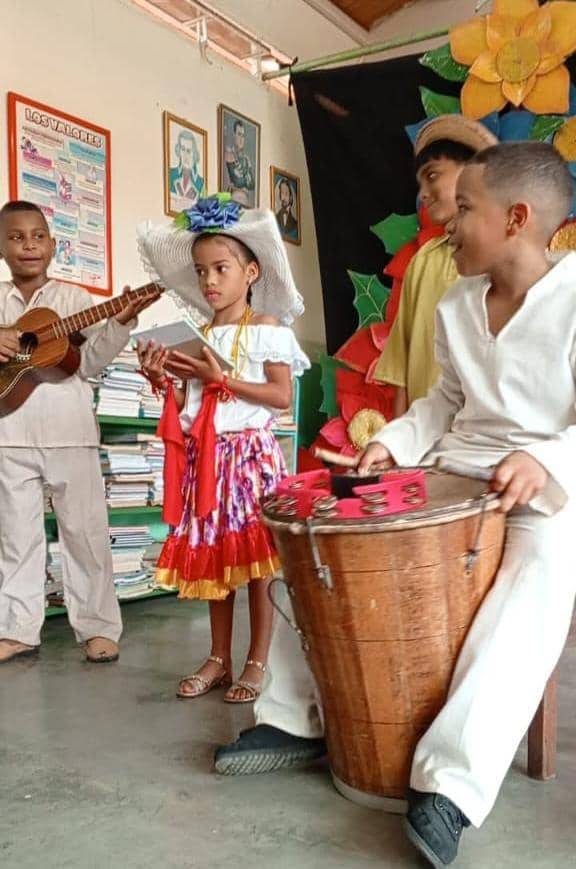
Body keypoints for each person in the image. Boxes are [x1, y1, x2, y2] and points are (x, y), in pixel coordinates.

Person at [214, 143, 576, 866]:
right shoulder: (454, 301)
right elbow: (443, 403)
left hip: (545, 486)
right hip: (452, 469)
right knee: (322, 539)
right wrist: (396, 446)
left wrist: (543, 459)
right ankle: (294, 717)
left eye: (464, 208)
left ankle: (449, 784)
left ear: (517, 218)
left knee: (536, 588)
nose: (446, 222)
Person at [137, 193, 309, 703]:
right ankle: (218, 657)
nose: (209, 281)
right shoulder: (199, 335)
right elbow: (192, 403)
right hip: (206, 459)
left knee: (254, 563)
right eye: (201, 271)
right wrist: (160, 375)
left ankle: (257, 660)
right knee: (213, 561)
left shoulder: (268, 331)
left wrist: (225, 379)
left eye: (221, 269)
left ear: (251, 272)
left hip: (249, 460)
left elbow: (279, 397)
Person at [0, 200, 159, 664]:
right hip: (9, 433)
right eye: (15, 237)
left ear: (52, 245)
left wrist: (124, 319)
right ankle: (16, 629)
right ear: (2, 247)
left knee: (85, 534)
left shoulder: (74, 301)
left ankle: (98, 628)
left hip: (70, 431)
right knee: (15, 537)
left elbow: (88, 363)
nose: (28, 244)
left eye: (37, 235)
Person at [373, 114, 497, 417]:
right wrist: (399, 448)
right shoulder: (424, 260)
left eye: (432, 175)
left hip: (487, 443)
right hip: (424, 438)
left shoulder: (505, 259)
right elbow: (402, 368)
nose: (423, 194)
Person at [169, 128, 204, 206]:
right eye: (183, 149)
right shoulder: (170, 174)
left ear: (194, 154)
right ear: (179, 150)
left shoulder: (201, 183)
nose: (185, 155)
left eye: (188, 151)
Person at [225, 120, 255, 206]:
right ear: (234, 135)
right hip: (233, 200)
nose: (241, 139)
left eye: (243, 136)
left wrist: (245, 182)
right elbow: (238, 181)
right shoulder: (229, 154)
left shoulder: (246, 159)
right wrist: (246, 179)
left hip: (244, 201)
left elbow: (252, 185)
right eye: (239, 134)